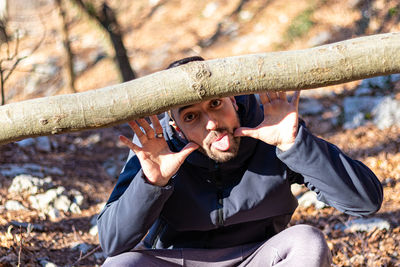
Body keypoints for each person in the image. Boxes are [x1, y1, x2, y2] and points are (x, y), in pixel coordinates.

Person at [97, 56, 383, 266]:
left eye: (215, 104)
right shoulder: (158, 151)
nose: (211, 124)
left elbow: (365, 202)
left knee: (307, 241)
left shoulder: (271, 128)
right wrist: (152, 183)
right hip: (180, 261)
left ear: (233, 100)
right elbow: (112, 244)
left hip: (261, 256)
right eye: (191, 117)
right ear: (176, 128)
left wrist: (295, 144)